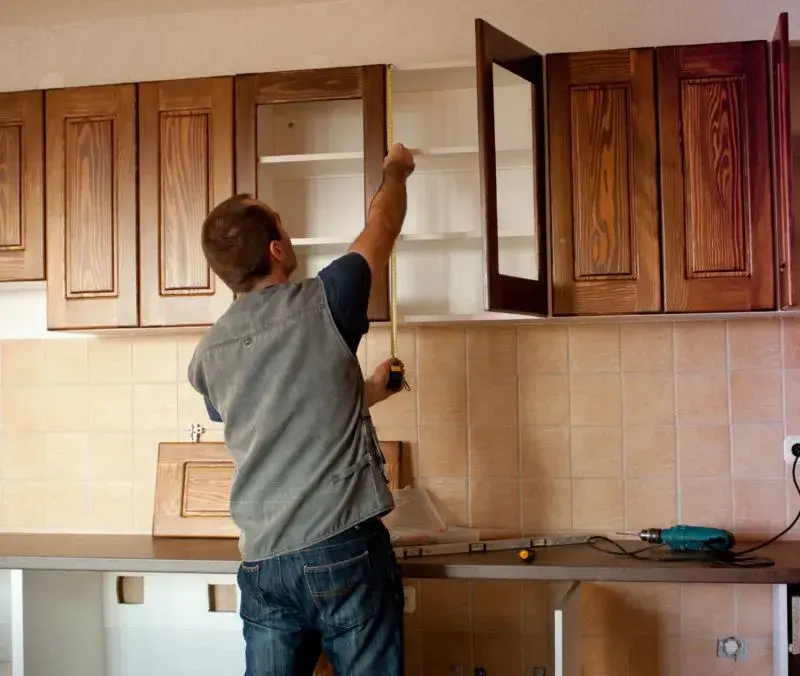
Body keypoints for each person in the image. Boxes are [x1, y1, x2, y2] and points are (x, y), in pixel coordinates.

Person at [187, 142, 416, 676]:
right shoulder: (328, 299)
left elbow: (275, 410)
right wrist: (396, 172)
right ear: (275, 249)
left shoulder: (208, 356)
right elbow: (382, 225)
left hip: (264, 563)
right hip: (342, 548)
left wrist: (370, 393)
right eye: (283, 229)